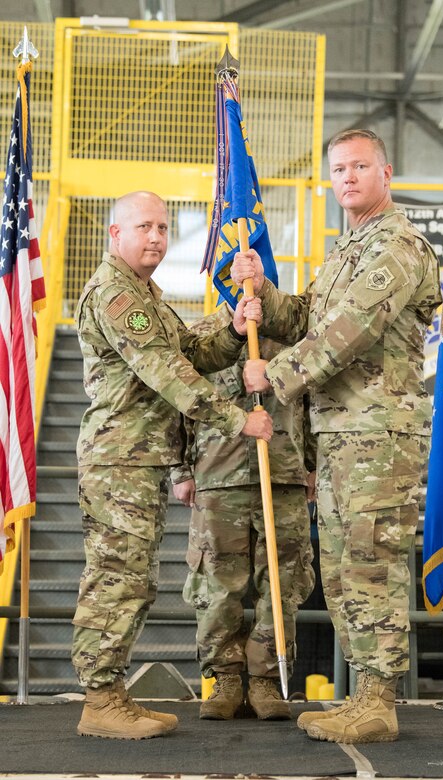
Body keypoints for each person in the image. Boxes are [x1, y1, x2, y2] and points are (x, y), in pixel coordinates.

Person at [230, 129, 442, 745]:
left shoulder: (399, 246)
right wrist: (262, 294)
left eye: (359, 166)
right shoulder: (346, 248)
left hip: (379, 434)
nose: (346, 177)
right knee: (344, 568)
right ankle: (361, 697)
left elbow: (349, 331)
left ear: (387, 172)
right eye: (338, 169)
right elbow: (311, 317)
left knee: (371, 561)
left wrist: (275, 374)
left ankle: (379, 700)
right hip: (341, 433)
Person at [71, 191, 272, 741]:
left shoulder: (148, 295)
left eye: (162, 227)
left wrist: (232, 332)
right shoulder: (116, 294)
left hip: (140, 462)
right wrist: (237, 419)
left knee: (134, 581)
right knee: (116, 580)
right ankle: (99, 699)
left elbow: (191, 354)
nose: (156, 237)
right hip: (119, 461)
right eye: (143, 227)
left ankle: (111, 694)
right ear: (116, 234)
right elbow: (166, 372)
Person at [172, 304, 316, 721]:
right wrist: (181, 470)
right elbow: (180, 402)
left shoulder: (291, 336)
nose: (243, 279)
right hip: (218, 475)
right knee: (218, 585)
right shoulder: (201, 338)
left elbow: (310, 405)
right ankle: (225, 678)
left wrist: (311, 465)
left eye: (251, 268)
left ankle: (268, 678)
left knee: (282, 583)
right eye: (234, 270)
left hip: (283, 472)